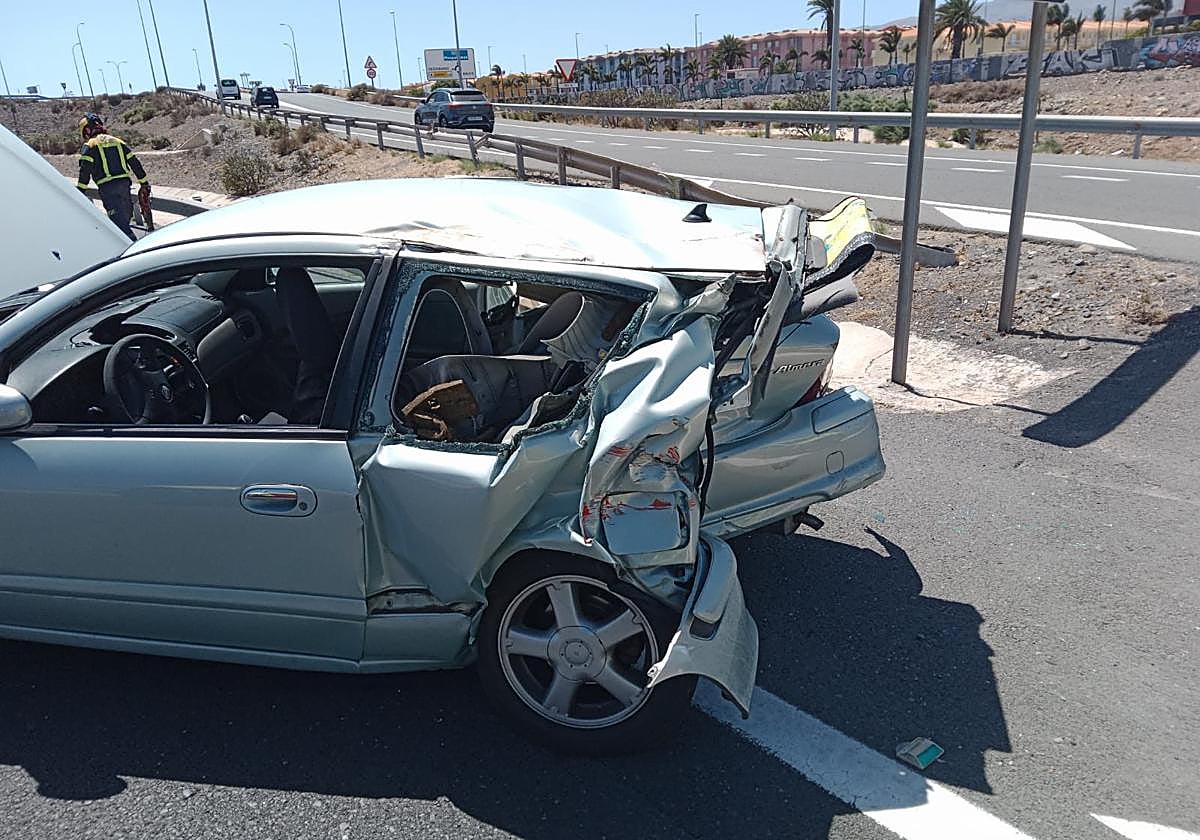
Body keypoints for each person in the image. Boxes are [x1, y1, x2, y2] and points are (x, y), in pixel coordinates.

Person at [75, 113, 151, 241]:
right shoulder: (118, 141)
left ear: (87, 131)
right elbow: (135, 163)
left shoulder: (90, 145)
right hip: (125, 187)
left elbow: (84, 171)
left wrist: (80, 192)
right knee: (125, 222)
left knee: (121, 228)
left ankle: (135, 249)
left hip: (108, 190)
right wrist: (144, 183)